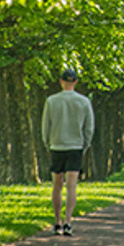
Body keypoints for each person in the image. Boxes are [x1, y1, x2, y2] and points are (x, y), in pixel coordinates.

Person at [41, 67, 95, 236]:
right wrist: (84, 145)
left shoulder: (51, 101)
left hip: (57, 146)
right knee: (72, 186)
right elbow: (89, 128)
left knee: (56, 185)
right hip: (75, 147)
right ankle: (68, 221)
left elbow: (45, 127)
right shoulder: (84, 101)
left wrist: (48, 143)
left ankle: (57, 222)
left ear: (61, 81)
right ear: (76, 82)